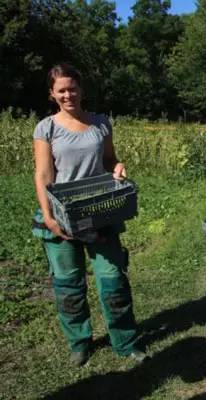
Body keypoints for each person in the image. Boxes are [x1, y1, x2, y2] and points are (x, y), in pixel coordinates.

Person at [32, 64, 146, 367]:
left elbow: (110, 159)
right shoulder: (47, 128)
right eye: (61, 90)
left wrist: (118, 167)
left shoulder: (100, 123)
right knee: (68, 285)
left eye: (72, 88)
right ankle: (80, 342)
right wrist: (49, 217)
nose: (68, 94)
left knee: (113, 280)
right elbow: (43, 175)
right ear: (52, 94)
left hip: (99, 212)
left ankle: (125, 341)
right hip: (60, 213)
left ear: (81, 89)